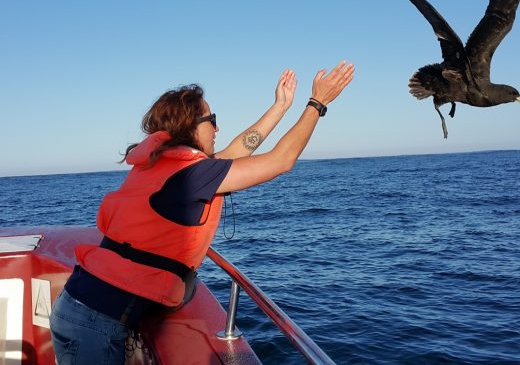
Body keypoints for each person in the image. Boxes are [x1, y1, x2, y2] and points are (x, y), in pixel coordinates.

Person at [49, 60, 354, 364]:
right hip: (95, 320)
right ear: (190, 126)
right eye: (212, 119)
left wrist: (280, 106)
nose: (218, 127)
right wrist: (318, 103)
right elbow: (281, 160)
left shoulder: (162, 164)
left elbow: (238, 150)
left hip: (83, 305)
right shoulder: (190, 175)